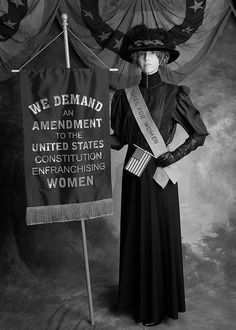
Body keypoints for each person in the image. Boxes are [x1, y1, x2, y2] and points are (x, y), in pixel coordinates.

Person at [110, 24, 208, 326]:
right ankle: (137, 301)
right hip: (134, 171)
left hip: (160, 176)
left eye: (154, 54)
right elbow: (119, 140)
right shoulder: (124, 97)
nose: (148, 59)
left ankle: (158, 305)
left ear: (163, 58)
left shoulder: (175, 94)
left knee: (157, 235)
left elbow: (199, 133)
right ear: (136, 59)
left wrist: (174, 154)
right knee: (136, 232)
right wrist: (90, 134)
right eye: (142, 54)